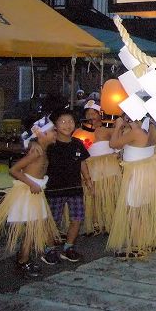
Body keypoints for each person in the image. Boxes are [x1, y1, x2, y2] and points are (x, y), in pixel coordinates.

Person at [0, 122, 60, 277]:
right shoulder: (36, 152)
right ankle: (23, 262)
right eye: (52, 131)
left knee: (35, 227)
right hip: (28, 193)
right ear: (41, 134)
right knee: (31, 229)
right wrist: (31, 184)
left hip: (34, 192)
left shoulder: (40, 149)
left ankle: (26, 259)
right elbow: (14, 170)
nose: (55, 133)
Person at [107, 115, 156, 259]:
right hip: (147, 172)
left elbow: (113, 144)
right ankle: (147, 241)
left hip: (136, 175)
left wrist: (117, 127)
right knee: (144, 208)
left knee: (134, 210)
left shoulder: (137, 132)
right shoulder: (150, 128)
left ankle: (137, 246)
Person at [41, 109, 92, 265]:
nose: (67, 125)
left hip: (75, 188)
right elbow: (43, 164)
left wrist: (88, 180)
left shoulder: (77, 143)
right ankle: (49, 249)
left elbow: (82, 162)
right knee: (53, 220)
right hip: (54, 189)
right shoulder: (50, 145)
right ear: (55, 125)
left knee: (77, 218)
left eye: (70, 121)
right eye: (63, 122)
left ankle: (69, 247)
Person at [81, 100, 121, 236]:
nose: (91, 116)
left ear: (100, 114)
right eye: (88, 113)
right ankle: (96, 223)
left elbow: (118, 143)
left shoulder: (107, 129)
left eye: (94, 113)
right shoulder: (81, 131)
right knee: (94, 194)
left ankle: (110, 223)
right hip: (92, 166)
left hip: (108, 164)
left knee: (109, 193)